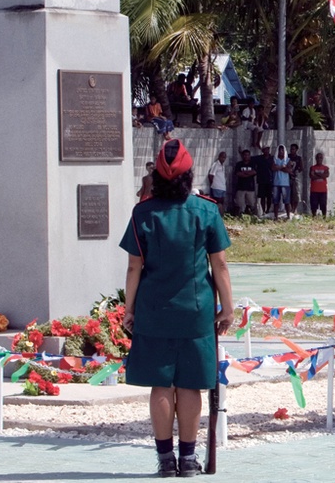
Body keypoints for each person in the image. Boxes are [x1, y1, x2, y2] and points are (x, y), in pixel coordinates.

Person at [119, 140, 233, 476]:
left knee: (160, 384)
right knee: (189, 385)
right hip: (195, 311)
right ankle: (187, 459)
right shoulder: (207, 210)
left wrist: (129, 309)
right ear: (188, 175)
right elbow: (220, 265)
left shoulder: (143, 212)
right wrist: (227, 308)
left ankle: (165, 459)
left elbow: (133, 268)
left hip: (154, 310)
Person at [234, 149, 257, 216]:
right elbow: (238, 173)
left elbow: (254, 172)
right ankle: (241, 216)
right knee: (240, 204)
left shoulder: (252, 164)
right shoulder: (239, 164)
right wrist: (247, 174)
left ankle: (250, 216)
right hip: (241, 187)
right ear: (243, 156)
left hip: (250, 188)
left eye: (248, 155)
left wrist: (244, 173)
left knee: (251, 203)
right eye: (245, 155)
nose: (246, 156)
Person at [270, 145, 291, 220]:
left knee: (287, 201)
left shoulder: (288, 159)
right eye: (279, 150)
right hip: (276, 183)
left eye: (282, 150)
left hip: (285, 184)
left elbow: (288, 170)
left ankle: (288, 216)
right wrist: (282, 167)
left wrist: (279, 167)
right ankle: (276, 217)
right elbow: (273, 168)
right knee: (276, 201)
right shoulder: (275, 159)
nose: (281, 152)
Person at [254, 146, 274, 216]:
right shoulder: (259, 158)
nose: (266, 151)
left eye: (267, 149)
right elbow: (249, 158)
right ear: (262, 151)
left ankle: (268, 210)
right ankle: (263, 211)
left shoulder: (272, 158)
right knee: (262, 197)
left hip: (270, 180)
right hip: (261, 180)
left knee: (269, 197)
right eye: (264, 150)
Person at [287, 144, 303, 216]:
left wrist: (296, 172)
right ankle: (290, 209)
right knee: (289, 194)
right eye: (291, 149)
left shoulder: (298, 158)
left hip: (295, 178)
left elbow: (301, 168)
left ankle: (294, 209)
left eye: (293, 149)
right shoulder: (287, 157)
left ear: (296, 150)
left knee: (296, 194)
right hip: (287, 178)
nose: (292, 150)